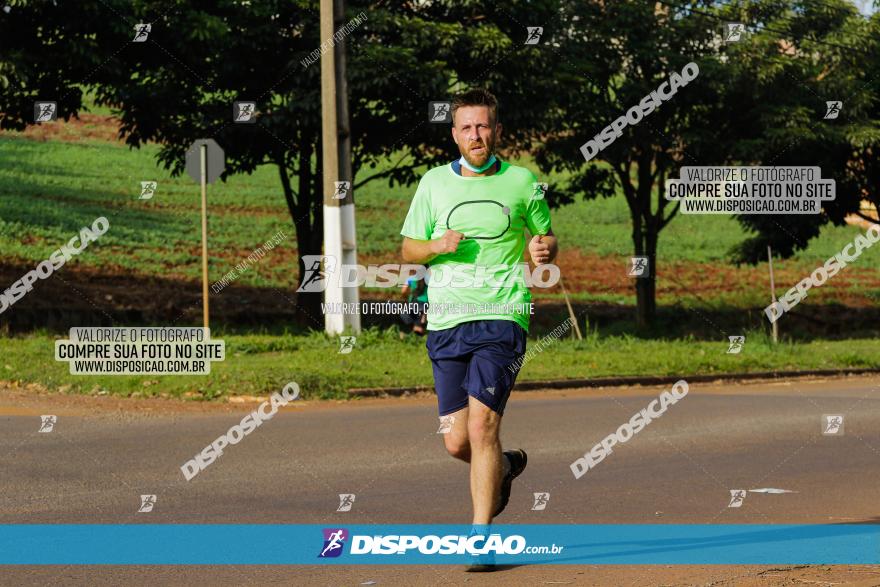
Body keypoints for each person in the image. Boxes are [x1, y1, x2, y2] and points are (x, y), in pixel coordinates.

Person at [399, 88, 558, 571]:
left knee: (484, 424)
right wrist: (437, 246)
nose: (476, 135)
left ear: (497, 131)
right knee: (456, 441)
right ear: (454, 134)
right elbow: (408, 250)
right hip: (447, 321)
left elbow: (545, 235)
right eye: (466, 127)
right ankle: (506, 467)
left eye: (483, 126)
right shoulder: (432, 184)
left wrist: (544, 250)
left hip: (502, 315)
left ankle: (481, 537)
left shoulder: (522, 181)